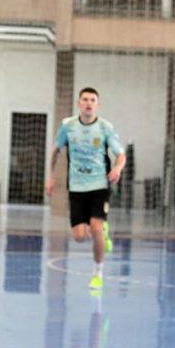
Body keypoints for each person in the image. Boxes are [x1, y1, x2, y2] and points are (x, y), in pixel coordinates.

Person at [45, 87, 125, 290]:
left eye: (93, 100)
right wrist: (50, 177)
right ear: (79, 103)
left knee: (95, 228)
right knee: (79, 236)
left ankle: (97, 274)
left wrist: (117, 168)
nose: (89, 103)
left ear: (98, 105)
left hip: (99, 185)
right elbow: (55, 151)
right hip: (77, 186)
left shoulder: (105, 128)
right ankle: (102, 232)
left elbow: (121, 154)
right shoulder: (68, 126)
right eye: (85, 99)